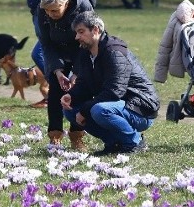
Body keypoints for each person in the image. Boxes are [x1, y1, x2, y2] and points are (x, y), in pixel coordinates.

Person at [61, 11, 159, 155]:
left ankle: (134, 142)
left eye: (81, 32)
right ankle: (114, 143)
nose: (77, 37)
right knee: (70, 109)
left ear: (95, 29)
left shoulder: (114, 52)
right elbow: (84, 83)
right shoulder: (86, 53)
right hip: (118, 105)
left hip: (141, 108)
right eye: (76, 33)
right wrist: (72, 95)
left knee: (99, 110)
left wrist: (85, 109)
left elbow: (114, 91)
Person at [37, 0, 94, 148]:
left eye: (55, 10)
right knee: (55, 90)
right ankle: (54, 135)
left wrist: (76, 73)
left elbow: (88, 42)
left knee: (79, 91)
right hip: (57, 50)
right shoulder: (44, 11)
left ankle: (77, 135)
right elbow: (46, 43)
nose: (50, 14)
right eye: (47, 11)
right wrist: (58, 71)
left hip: (81, 48)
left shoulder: (83, 8)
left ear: (66, 3)